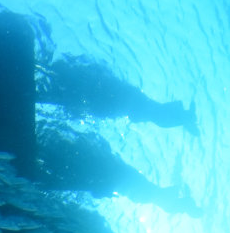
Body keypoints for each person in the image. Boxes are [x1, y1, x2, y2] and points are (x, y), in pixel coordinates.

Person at [36, 124, 201, 216]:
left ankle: (183, 204)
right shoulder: (145, 192)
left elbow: (110, 180)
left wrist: (101, 188)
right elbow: (110, 179)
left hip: (111, 175)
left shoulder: (146, 192)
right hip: (110, 174)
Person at [40, 55, 198, 135]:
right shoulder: (80, 76)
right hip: (121, 100)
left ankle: (184, 117)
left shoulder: (77, 80)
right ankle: (184, 117)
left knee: (154, 112)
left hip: (122, 100)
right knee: (153, 112)